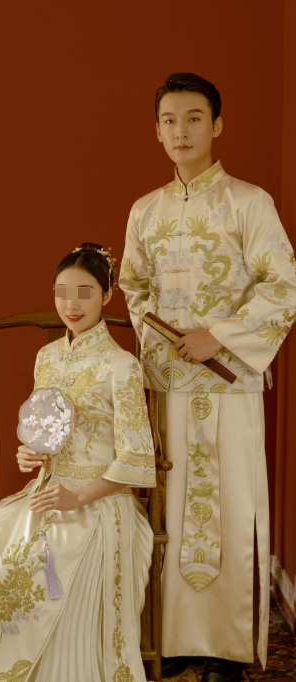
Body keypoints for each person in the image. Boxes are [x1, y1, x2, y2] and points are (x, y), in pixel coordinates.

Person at [119, 72, 296, 682]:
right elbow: (133, 288)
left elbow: (284, 285)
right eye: (169, 120)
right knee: (172, 513)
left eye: (194, 118)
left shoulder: (249, 203)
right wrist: (165, 347)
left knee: (230, 510)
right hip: (171, 385)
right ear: (157, 131)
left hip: (229, 383)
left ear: (216, 125)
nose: (181, 130)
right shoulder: (145, 211)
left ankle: (228, 649)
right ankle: (175, 639)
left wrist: (215, 335)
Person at [0, 243, 156, 682]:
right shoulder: (46, 357)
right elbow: (43, 429)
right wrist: (29, 452)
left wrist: (77, 497)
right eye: (62, 292)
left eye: (86, 292)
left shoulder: (121, 365)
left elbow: (137, 459)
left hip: (99, 500)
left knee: (16, 570)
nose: (72, 304)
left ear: (107, 295)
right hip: (46, 491)